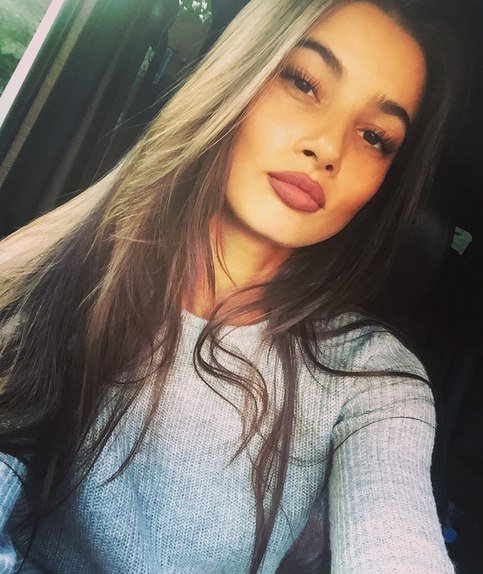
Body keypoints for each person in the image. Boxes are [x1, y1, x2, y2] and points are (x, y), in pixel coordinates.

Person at [0, 0, 462, 572]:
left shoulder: (373, 378)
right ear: (238, 75)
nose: (328, 148)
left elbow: (397, 542)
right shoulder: (61, 270)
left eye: (374, 136)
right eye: (303, 83)